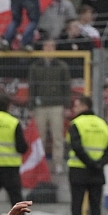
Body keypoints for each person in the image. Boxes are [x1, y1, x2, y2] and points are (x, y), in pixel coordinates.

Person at [67, 95, 108, 215]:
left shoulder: (76, 124)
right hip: (97, 171)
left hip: (78, 170)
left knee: (77, 206)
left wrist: (89, 163)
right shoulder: (102, 124)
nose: (74, 109)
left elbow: (76, 147)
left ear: (84, 106)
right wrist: (98, 164)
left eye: (76, 106)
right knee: (95, 207)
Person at [28, 40, 71, 171]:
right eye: (47, 46)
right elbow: (32, 87)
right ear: (42, 48)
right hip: (40, 106)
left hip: (56, 105)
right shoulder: (36, 66)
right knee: (40, 137)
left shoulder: (61, 66)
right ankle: (40, 164)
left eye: (52, 46)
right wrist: (31, 106)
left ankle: (58, 163)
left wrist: (66, 106)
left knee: (57, 136)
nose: (49, 49)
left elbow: (66, 87)